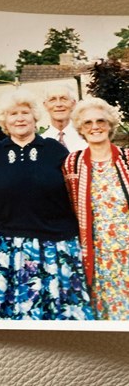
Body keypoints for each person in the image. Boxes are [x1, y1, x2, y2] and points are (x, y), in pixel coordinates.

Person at [0, 89, 93, 320]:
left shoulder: (54, 150)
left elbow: (73, 191)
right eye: (13, 114)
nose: (20, 118)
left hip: (53, 244)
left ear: (34, 117)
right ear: (4, 120)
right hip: (6, 247)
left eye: (25, 112)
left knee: (57, 314)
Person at [62, 97, 129, 320]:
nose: (95, 127)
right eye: (88, 123)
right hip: (98, 253)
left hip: (127, 248)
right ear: (80, 129)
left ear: (110, 124)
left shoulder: (127, 158)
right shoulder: (73, 162)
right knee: (106, 314)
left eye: (101, 121)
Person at [42, 83, 87, 152]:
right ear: (45, 105)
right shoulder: (41, 141)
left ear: (73, 104)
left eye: (64, 99)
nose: (58, 104)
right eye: (52, 100)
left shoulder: (85, 138)